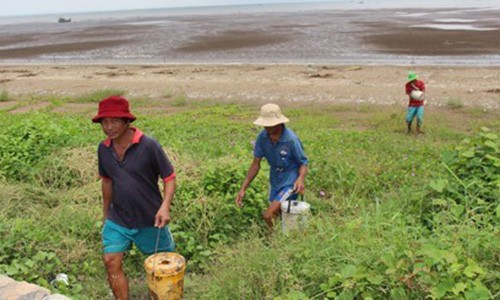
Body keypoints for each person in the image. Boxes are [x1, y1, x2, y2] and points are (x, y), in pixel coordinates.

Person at [92, 95, 176, 300]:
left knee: (162, 266)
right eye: (104, 122)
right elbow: (107, 181)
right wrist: (106, 215)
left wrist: (165, 207)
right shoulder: (104, 149)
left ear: (126, 121)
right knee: (111, 261)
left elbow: (169, 178)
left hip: (149, 218)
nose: (108, 127)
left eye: (113, 121)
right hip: (118, 218)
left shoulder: (149, 146)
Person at [235, 103, 308, 228]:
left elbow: (303, 163)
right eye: (265, 124)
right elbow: (255, 163)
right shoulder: (262, 138)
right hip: (275, 179)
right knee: (279, 214)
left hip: (290, 181)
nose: (266, 127)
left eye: (270, 124)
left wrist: (300, 179)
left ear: (279, 123)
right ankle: (284, 237)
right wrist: (243, 188)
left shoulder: (291, 140)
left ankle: (272, 241)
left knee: (268, 214)